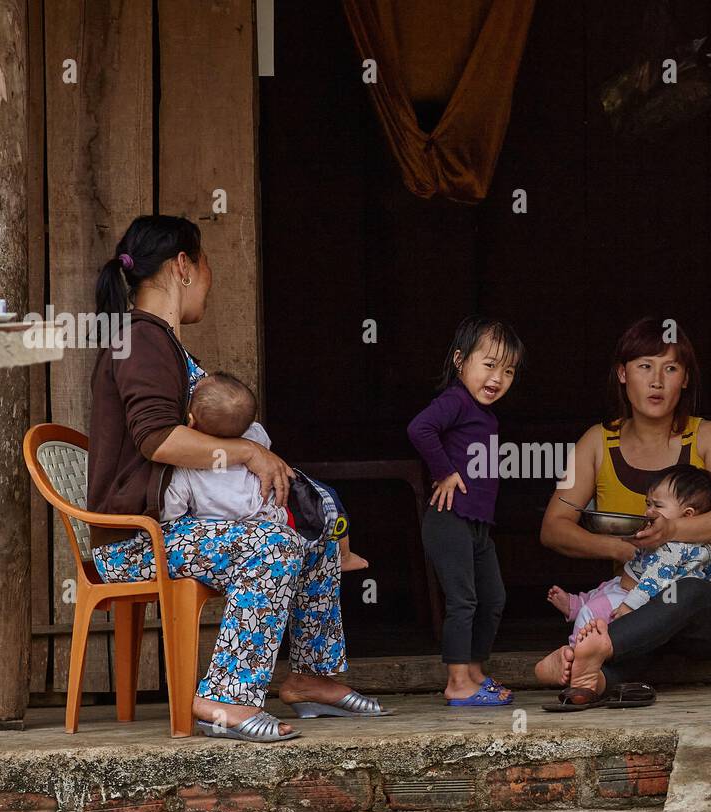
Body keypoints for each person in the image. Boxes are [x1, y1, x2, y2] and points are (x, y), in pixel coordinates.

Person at [87, 214, 387, 743]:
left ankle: (310, 677)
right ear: (183, 266)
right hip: (138, 539)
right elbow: (157, 439)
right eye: (206, 268)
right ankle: (225, 697)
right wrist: (247, 453)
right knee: (271, 546)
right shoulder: (140, 339)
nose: (209, 282)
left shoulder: (162, 344)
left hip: (168, 530)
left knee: (307, 526)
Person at [537, 317, 711, 710]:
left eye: (670, 368)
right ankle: (588, 677)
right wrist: (620, 550)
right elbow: (553, 527)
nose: (657, 380)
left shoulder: (709, 437)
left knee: (682, 590)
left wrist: (673, 528)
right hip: (635, 610)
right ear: (623, 374)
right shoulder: (596, 443)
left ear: (685, 379)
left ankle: (591, 649)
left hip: (710, 614)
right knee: (639, 628)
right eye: (644, 367)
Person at [536, 465, 711, 684]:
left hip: (675, 616)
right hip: (651, 625)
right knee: (643, 635)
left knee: (680, 593)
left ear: (688, 514)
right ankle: (589, 681)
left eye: (658, 505)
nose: (649, 511)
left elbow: (660, 579)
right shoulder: (657, 546)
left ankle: (578, 655)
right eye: (648, 504)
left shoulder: (678, 549)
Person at [408, 316, 525, 707]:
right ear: (460, 361)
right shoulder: (455, 401)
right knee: (463, 600)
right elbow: (419, 429)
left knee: (493, 598)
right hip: (449, 520)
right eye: (489, 365)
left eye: (508, 370)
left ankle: (474, 670)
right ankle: (458, 682)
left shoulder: (486, 415)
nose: (498, 378)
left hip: (477, 527)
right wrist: (444, 471)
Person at [162, 372, 368, 571]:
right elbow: (254, 430)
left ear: (190, 421)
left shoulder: (185, 465)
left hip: (231, 531)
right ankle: (345, 556)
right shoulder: (254, 434)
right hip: (279, 514)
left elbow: (171, 508)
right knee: (326, 498)